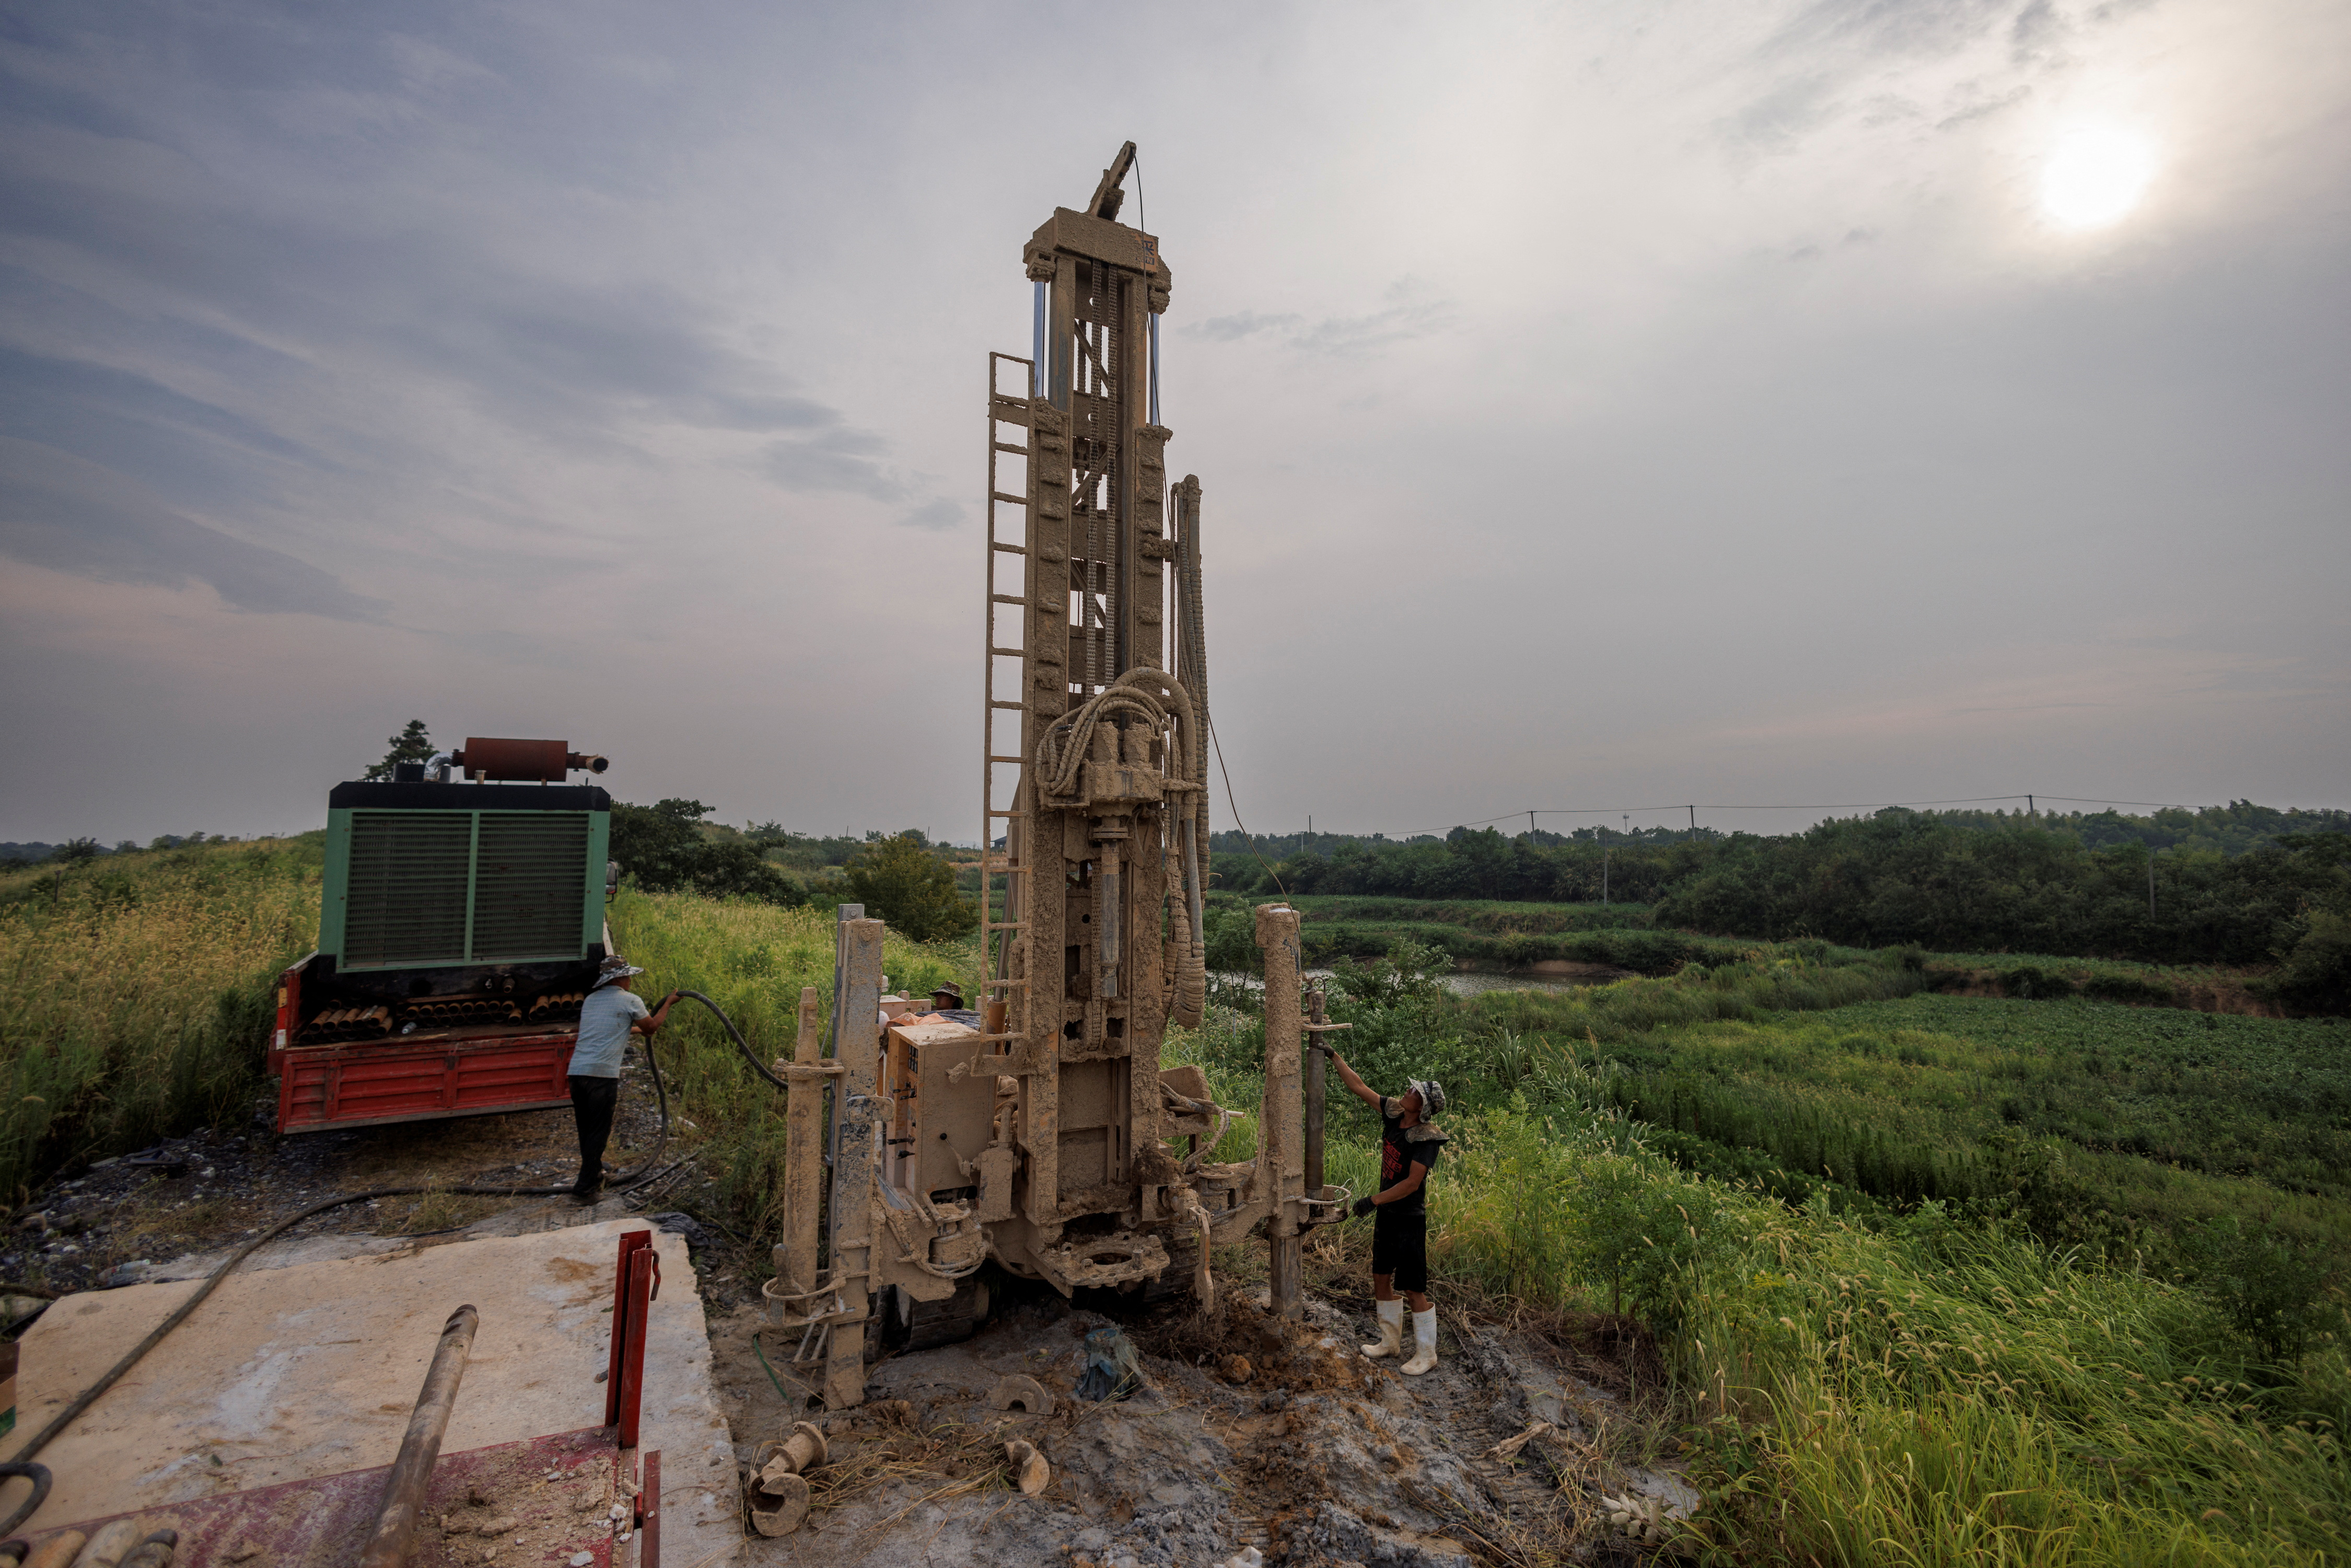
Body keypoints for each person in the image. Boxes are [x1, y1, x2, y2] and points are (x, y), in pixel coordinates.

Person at [1328, 1052, 1448, 1375]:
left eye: (1414, 1093)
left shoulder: (1427, 1139)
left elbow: (1411, 1184)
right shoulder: (1394, 1114)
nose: (1406, 1093)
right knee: (1380, 1276)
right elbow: (1359, 1087)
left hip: (1409, 1219)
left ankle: (1427, 1353)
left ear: (1422, 1107)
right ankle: (1390, 1342)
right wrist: (1335, 1056)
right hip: (1387, 1215)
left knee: (1412, 1287)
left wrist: (1373, 1200)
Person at [569, 955, 677, 1204]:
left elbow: (619, 1028)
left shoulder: (591, 1001)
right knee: (599, 1131)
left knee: (586, 1129)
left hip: (576, 1074)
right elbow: (651, 1028)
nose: (630, 981)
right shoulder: (630, 1000)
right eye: (628, 976)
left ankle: (593, 1171)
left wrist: (639, 1029)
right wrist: (668, 1004)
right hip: (601, 1075)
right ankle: (584, 1189)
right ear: (620, 979)